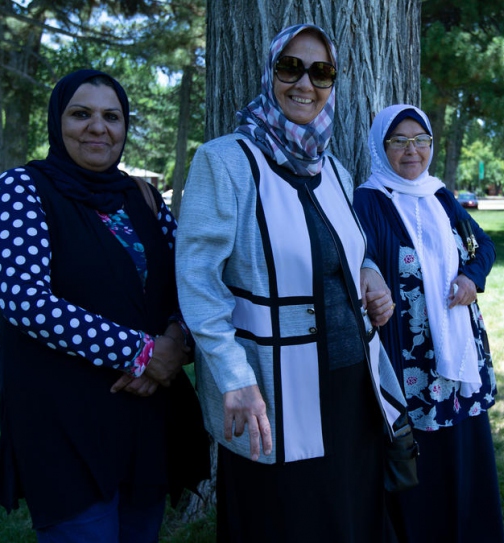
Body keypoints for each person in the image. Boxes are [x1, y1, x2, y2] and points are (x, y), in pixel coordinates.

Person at [174, 24, 410, 543]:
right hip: (270, 388)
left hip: (352, 383)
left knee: (349, 514)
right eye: (291, 68)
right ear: (270, 73)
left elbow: (347, 250)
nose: (305, 83)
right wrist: (234, 378)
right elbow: (198, 283)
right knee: (286, 518)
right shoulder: (225, 161)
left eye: (321, 72)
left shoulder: (335, 171)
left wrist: (368, 272)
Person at [0, 70, 210, 541]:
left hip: (145, 414)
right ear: (56, 122)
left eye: (112, 116)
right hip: (65, 416)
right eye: (81, 114)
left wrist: (175, 341)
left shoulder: (141, 196)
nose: (98, 127)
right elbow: (27, 302)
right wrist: (144, 354)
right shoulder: (22, 190)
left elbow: (191, 279)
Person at [353, 104, 504, 543]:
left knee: (463, 450)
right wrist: (368, 271)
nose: (411, 150)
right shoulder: (369, 200)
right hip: (407, 355)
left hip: (458, 347)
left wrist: (471, 278)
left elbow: (484, 246)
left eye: (420, 140)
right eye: (398, 141)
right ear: (381, 148)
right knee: (420, 461)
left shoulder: (440, 195)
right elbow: (355, 257)